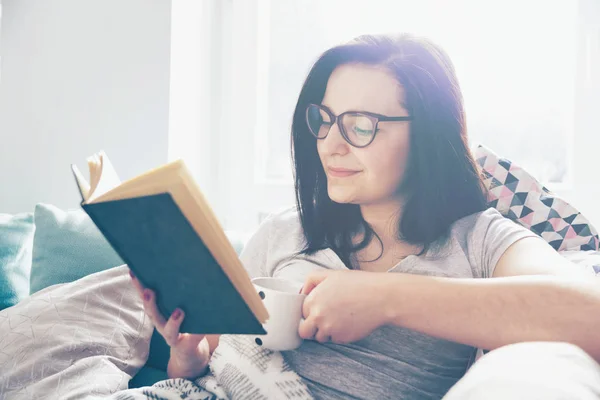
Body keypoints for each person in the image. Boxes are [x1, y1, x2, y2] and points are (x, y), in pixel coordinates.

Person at [130, 33, 600, 399]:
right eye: (324, 119)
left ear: (428, 136)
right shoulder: (281, 233)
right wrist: (186, 355)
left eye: (360, 125)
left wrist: (385, 297)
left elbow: (591, 313)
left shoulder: (480, 242)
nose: (331, 145)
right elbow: (200, 372)